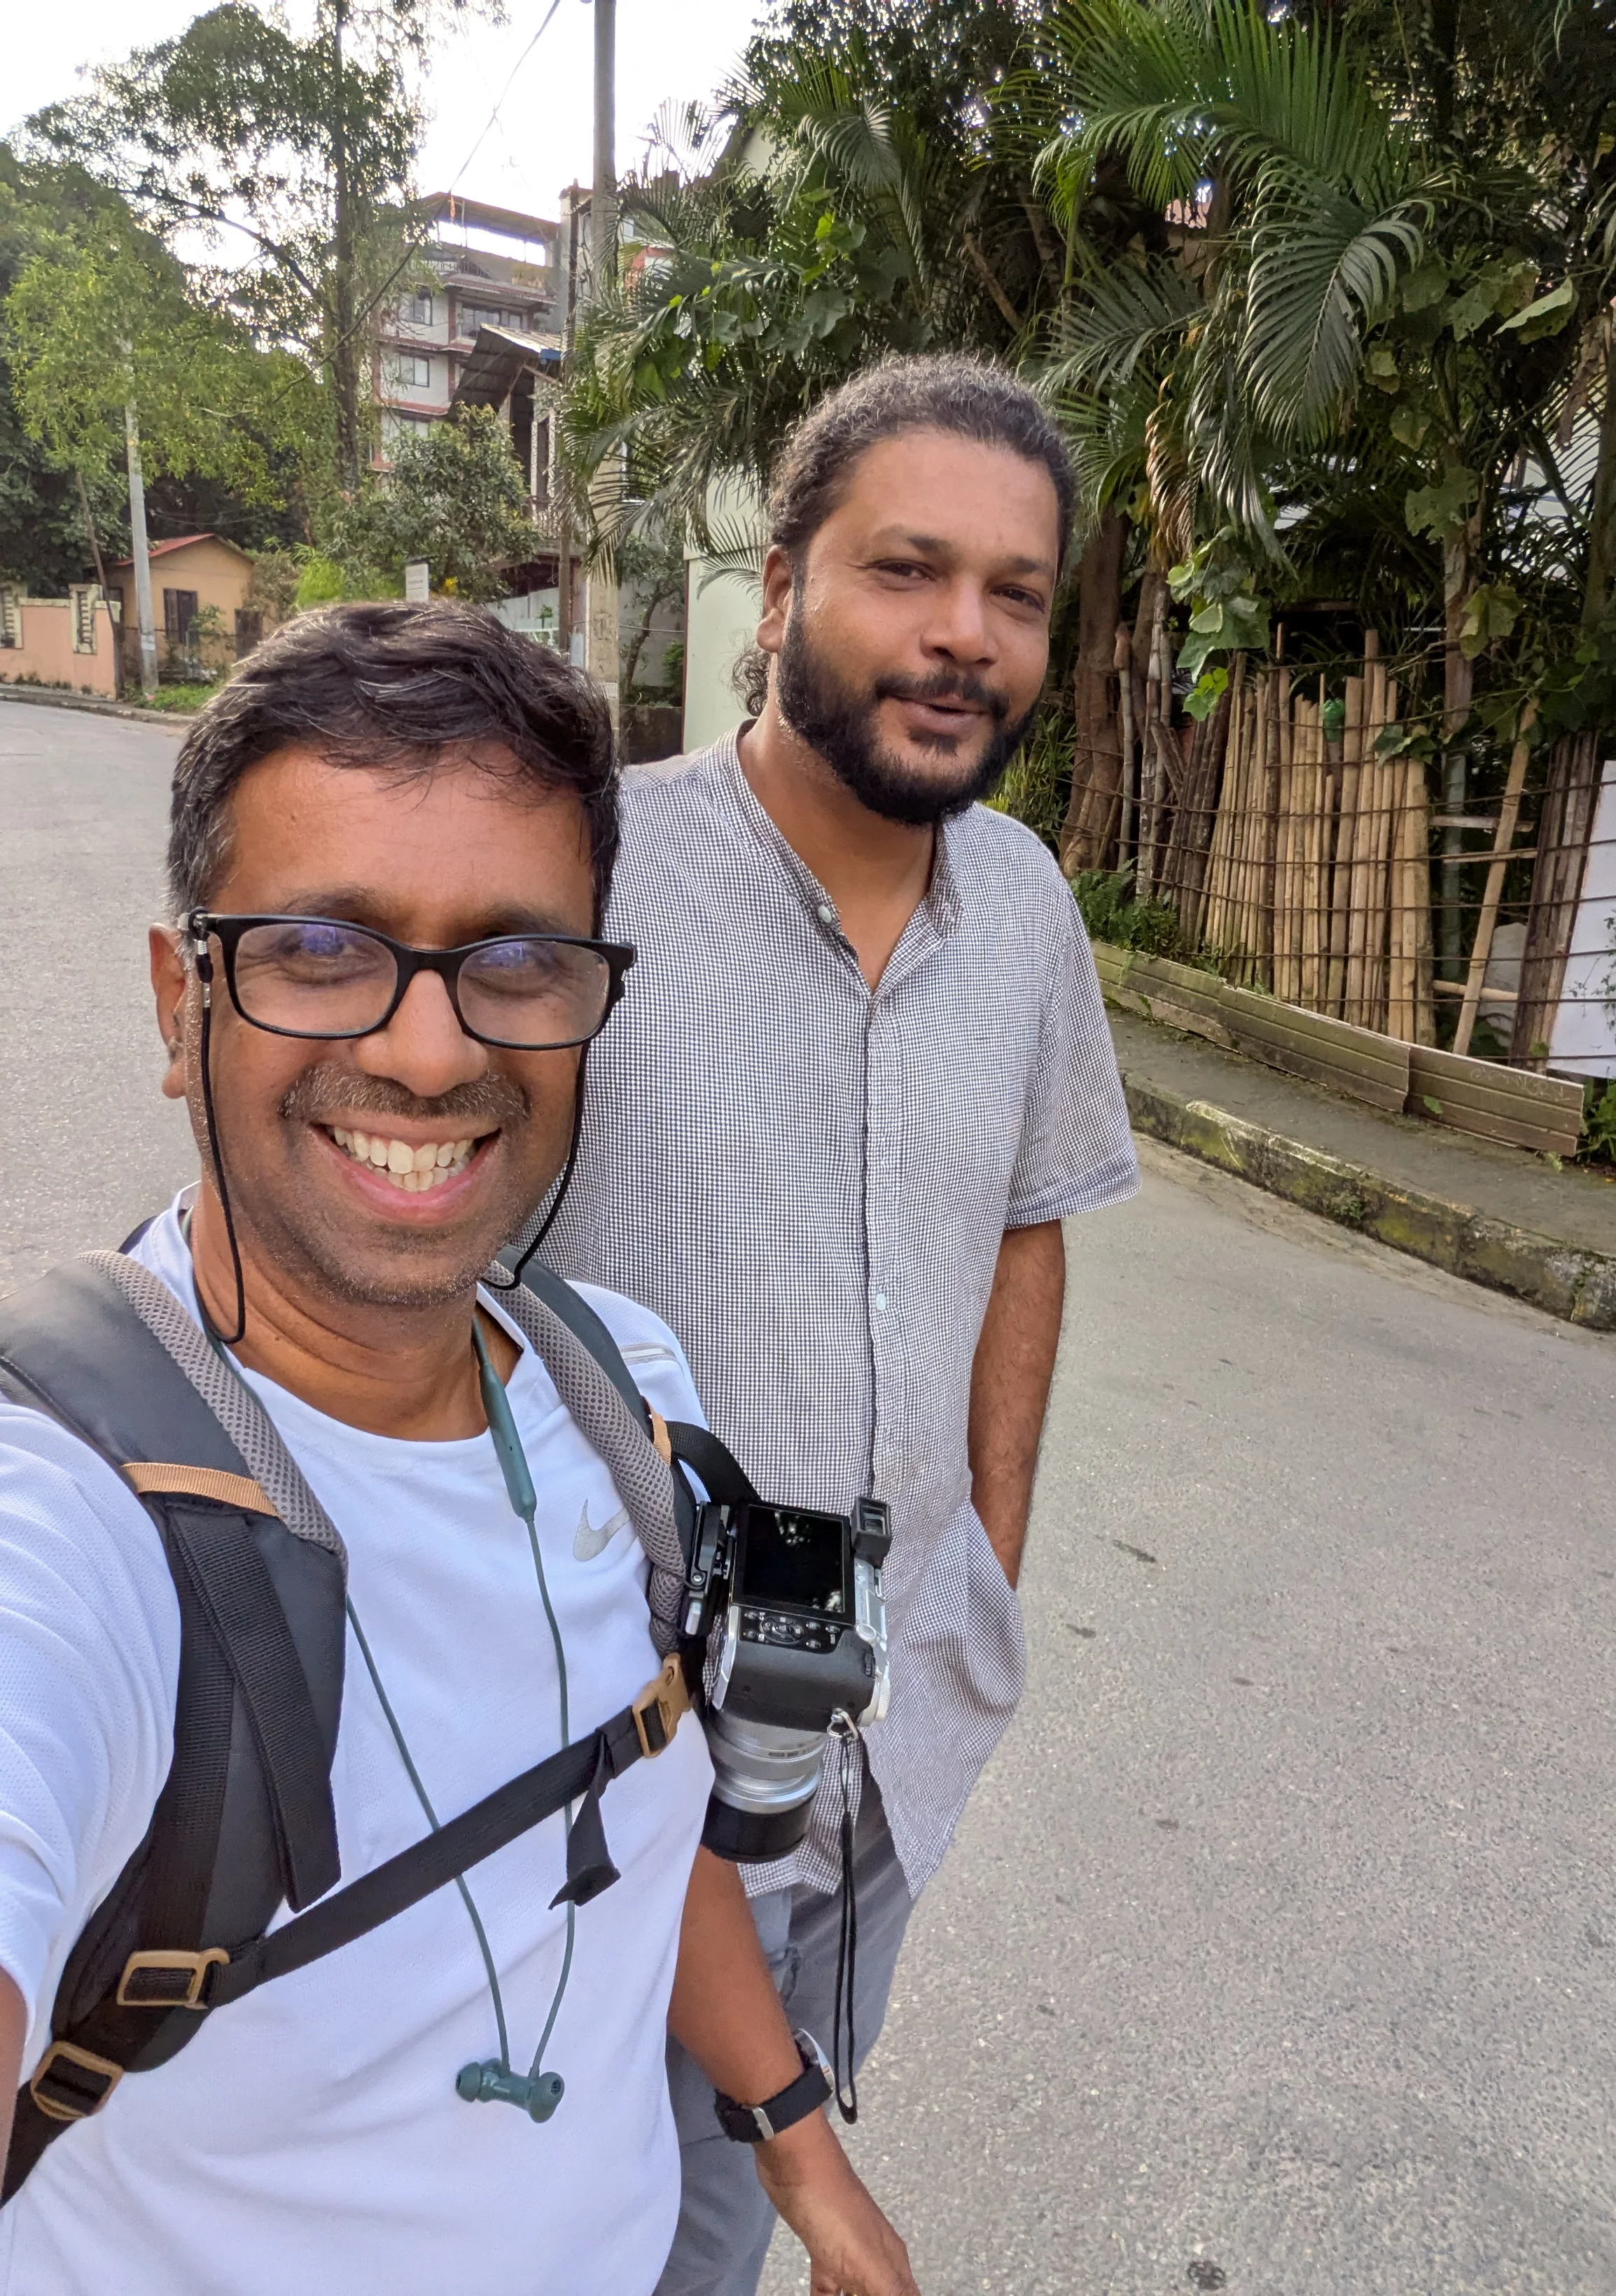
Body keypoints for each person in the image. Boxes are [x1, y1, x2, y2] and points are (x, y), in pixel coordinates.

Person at [0, 605, 916, 2296]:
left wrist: (799, 2140)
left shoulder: (606, 1376)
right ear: (176, 994)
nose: (430, 1050)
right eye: (320, 947)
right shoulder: (72, 1512)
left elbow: (627, 1814)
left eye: (514, 961)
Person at [551, 353, 1141, 2296]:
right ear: (788, 575)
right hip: (617, 1771)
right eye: (908, 570)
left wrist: (984, 1551)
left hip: (885, 1735)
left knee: (783, 2144)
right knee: (662, 2226)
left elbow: (1035, 1225)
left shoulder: (1029, 910)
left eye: (1017, 592)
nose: (963, 635)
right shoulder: (600, 879)